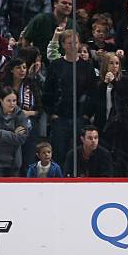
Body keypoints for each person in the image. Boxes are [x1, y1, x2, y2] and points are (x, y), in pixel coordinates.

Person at [43, 29, 97, 166]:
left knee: (78, 154)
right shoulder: (56, 66)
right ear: (63, 45)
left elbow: (92, 93)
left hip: (80, 118)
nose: (73, 46)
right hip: (60, 118)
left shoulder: (87, 67)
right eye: (69, 43)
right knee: (60, 153)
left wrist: (87, 114)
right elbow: (47, 92)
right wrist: (52, 113)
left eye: (76, 42)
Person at [88, 53, 128, 175]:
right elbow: (94, 100)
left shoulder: (125, 80)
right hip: (103, 124)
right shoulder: (98, 82)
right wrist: (105, 84)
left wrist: (114, 82)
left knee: (121, 156)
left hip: (120, 125)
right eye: (111, 63)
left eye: (117, 63)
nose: (114, 66)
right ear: (105, 65)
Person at [0, 57, 43, 174]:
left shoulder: (32, 84)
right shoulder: (3, 86)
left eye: (24, 67)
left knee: (28, 160)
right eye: (18, 67)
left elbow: (40, 109)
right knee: (10, 162)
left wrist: (28, 113)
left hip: (29, 127)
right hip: (8, 127)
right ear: (12, 70)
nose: (22, 70)